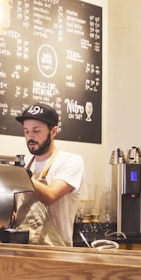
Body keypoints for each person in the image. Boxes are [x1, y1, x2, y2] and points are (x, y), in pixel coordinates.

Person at [16, 102, 84, 246]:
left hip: (56, 251)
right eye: (26, 131)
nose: (30, 137)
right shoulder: (26, 164)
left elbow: (50, 196)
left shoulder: (71, 161)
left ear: (53, 131)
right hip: (24, 248)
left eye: (36, 131)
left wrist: (16, 174)